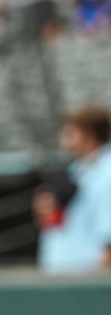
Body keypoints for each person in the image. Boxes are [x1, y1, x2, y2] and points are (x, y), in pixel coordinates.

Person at [33, 104, 111, 274]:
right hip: (63, 271)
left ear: (88, 134)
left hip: (89, 276)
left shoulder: (107, 173)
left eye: (70, 131)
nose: (63, 136)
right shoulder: (76, 169)